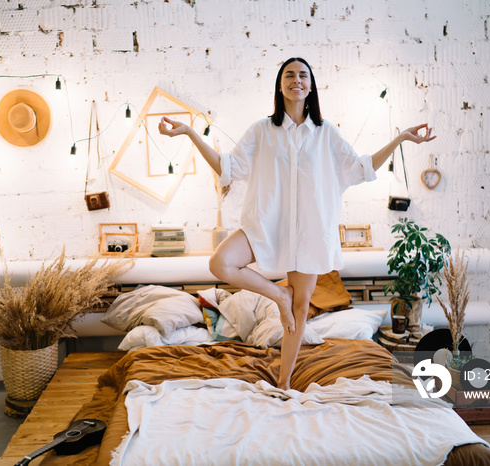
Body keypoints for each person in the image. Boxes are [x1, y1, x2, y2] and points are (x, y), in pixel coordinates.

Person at [159, 57, 435, 389]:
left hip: (309, 233)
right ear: (280, 85)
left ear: (311, 85)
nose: (297, 80)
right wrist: (190, 132)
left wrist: (400, 138)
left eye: (303, 75)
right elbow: (226, 167)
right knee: (221, 263)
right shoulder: (262, 130)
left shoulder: (325, 132)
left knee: (301, 309)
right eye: (289, 75)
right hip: (267, 226)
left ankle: (284, 383)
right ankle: (279, 295)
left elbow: (360, 169)